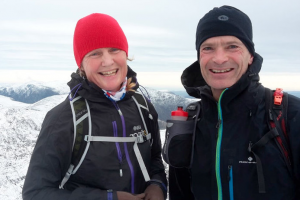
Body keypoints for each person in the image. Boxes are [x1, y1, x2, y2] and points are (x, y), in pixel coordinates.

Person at [22, 13, 167, 200]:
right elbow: (35, 193)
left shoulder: (142, 107)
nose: (107, 61)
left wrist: (157, 185)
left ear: (125, 54)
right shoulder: (65, 118)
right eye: (95, 53)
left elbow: (154, 160)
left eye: (114, 49)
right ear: (81, 65)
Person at [169, 5, 300, 200]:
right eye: (208, 48)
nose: (220, 58)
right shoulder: (190, 122)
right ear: (199, 57)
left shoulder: (289, 115)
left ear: (250, 57)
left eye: (232, 46)